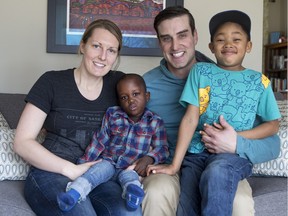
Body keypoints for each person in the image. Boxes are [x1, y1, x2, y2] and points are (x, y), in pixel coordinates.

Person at [141, 6, 281, 216]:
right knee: (158, 191)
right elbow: (130, 129)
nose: (175, 45)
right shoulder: (144, 87)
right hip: (178, 162)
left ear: (195, 36)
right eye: (166, 38)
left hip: (226, 160)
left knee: (238, 199)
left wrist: (234, 141)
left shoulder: (252, 81)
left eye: (182, 35)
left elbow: (272, 140)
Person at [13, 19, 142, 216]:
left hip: (99, 176)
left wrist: (136, 159)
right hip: (52, 173)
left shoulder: (119, 84)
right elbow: (22, 142)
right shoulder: (51, 82)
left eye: (111, 50)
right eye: (96, 46)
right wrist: (70, 169)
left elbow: (141, 124)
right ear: (83, 46)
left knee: (128, 212)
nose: (102, 56)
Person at [56, 73, 169, 212]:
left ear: (147, 96)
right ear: (119, 101)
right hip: (108, 162)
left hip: (130, 167)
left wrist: (149, 158)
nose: (131, 101)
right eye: (124, 97)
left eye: (136, 94)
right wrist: (84, 162)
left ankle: (133, 197)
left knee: (130, 179)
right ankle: (73, 194)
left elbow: (163, 148)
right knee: (95, 173)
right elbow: (99, 140)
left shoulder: (155, 122)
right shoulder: (113, 114)